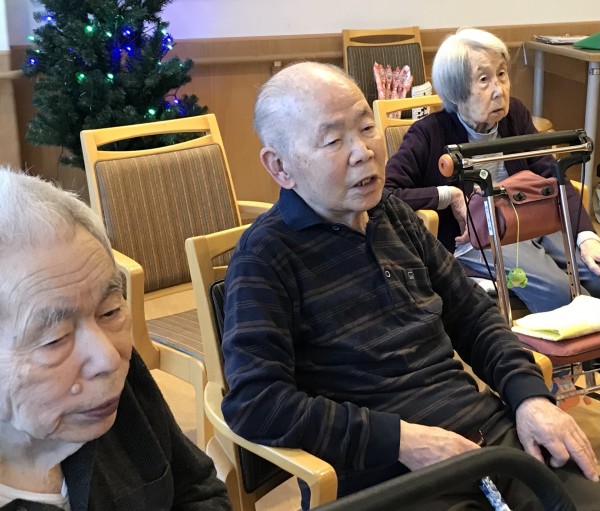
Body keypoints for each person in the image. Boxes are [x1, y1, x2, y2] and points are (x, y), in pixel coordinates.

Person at [220, 61, 600, 510]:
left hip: (487, 438)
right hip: (387, 476)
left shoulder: (393, 216)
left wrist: (529, 398)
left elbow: (473, 316)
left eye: (366, 128)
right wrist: (401, 440)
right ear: (280, 167)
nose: (363, 152)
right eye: (333, 140)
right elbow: (256, 403)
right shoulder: (264, 258)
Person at [0, 167, 231, 511]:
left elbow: (198, 489)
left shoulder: (113, 384)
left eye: (109, 311)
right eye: (55, 338)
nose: (108, 358)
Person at [385, 27, 600, 313]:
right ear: (456, 92)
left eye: (501, 74)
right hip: (476, 241)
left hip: (530, 221)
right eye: (484, 80)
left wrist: (587, 237)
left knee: (597, 273)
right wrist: (449, 195)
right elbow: (386, 194)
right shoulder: (427, 133)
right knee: (560, 292)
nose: (500, 90)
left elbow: (552, 174)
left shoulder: (515, 116)